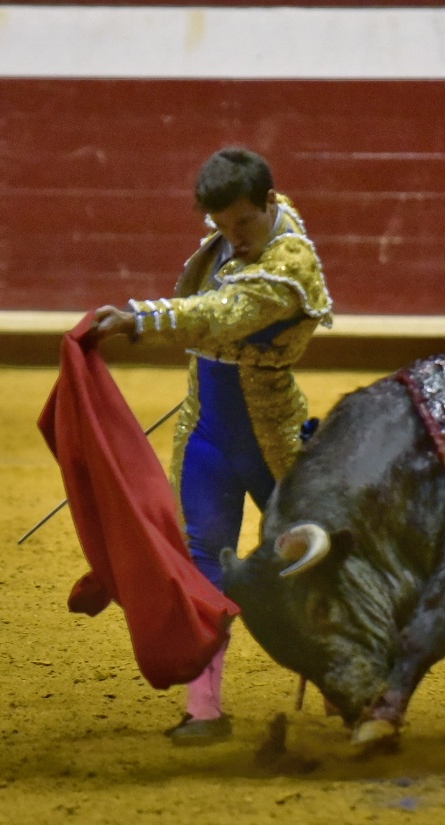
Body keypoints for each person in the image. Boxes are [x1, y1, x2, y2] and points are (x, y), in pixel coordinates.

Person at [87, 146, 333, 744]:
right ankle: (204, 710)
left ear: (269, 205)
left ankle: (347, 690)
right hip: (206, 434)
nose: (234, 239)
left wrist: (138, 319)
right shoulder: (241, 225)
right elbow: (214, 317)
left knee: (312, 569)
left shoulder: (290, 263)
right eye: (221, 228)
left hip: (273, 437)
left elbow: (222, 313)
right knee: (204, 563)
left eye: (243, 225)